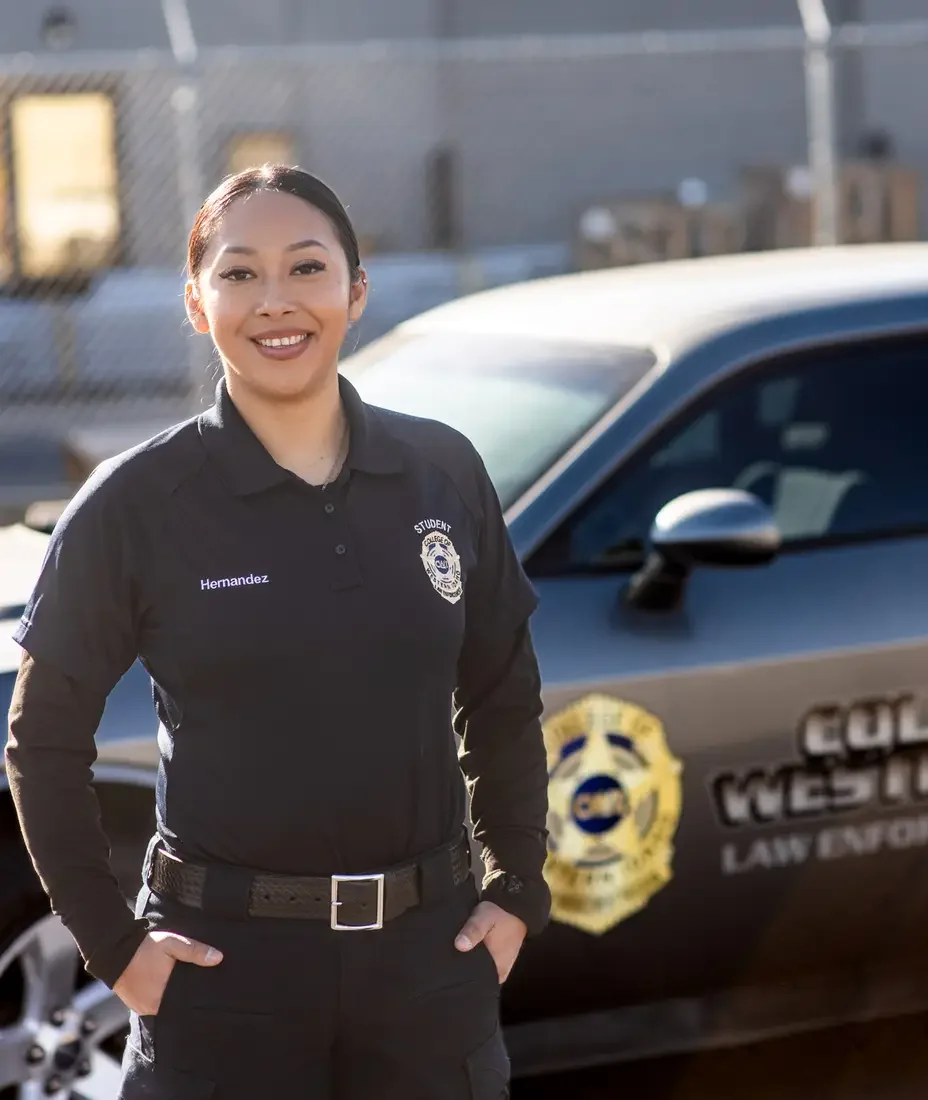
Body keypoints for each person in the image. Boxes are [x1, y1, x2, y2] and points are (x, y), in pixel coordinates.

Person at [5, 165, 550, 1099]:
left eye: (306, 268)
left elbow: (502, 693)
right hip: (224, 976)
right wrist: (115, 946)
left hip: (428, 966)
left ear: (355, 291)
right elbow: (41, 740)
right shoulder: (137, 504)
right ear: (195, 301)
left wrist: (516, 891)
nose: (276, 303)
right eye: (239, 274)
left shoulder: (443, 471)